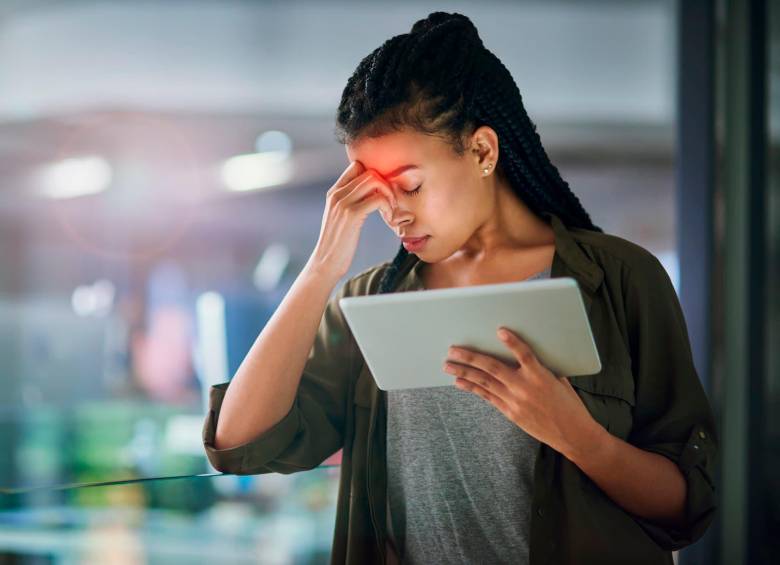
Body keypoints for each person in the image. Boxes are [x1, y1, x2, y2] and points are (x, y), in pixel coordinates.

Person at [202, 11, 717, 565]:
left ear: (482, 152)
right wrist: (322, 266)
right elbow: (240, 444)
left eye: (411, 185)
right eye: (376, 193)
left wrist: (578, 436)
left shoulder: (619, 280)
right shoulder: (371, 302)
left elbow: (686, 506)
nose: (394, 214)